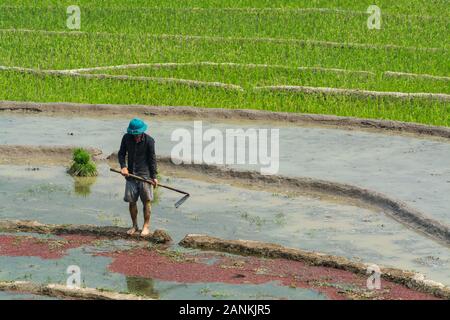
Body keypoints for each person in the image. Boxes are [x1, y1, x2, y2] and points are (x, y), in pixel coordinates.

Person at [118, 118, 158, 236]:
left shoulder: (149, 141)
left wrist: (154, 176)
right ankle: (134, 225)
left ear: (142, 132)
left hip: (145, 176)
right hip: (130, 175)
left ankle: (146, 226)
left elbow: (152, 160)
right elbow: (121, 154)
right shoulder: (126, 138)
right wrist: (123, 167)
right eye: (133, 134)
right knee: (132, 201)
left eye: (137, 134)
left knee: (146, 201)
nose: (135, 136)